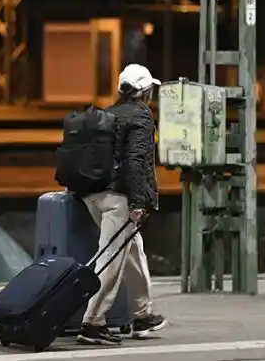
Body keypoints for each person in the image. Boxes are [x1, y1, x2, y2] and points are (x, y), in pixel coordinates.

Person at [77, 63, 166, 346]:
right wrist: (138, 202)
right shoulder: (141, 115)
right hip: (118, 199)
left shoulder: (109, 113)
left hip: (94, 194)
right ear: (145, 92)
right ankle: (92, 323)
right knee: (111, 261)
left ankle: (143, 315)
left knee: (133, 252)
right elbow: (136, 162)